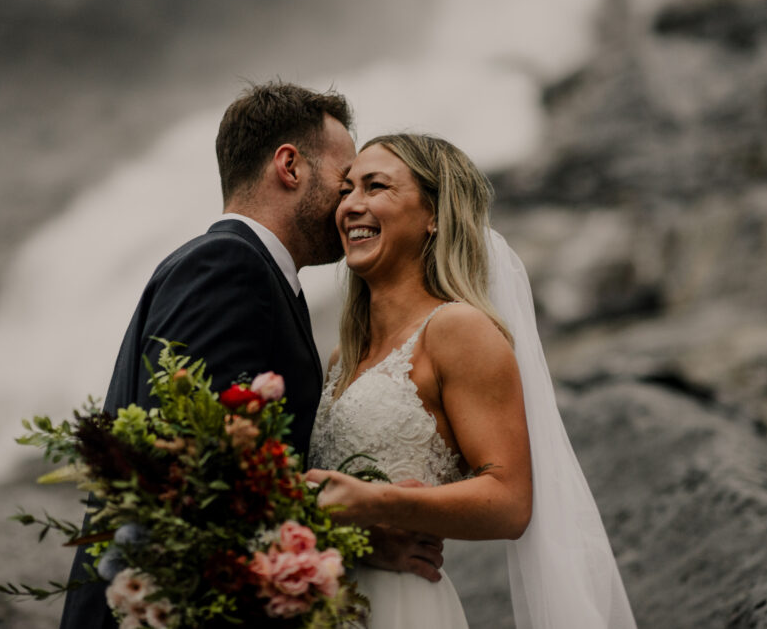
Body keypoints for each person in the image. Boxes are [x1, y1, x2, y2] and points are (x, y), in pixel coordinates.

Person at [58, 83, 442, 629]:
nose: (351, 202)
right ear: (290, 166)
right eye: (344, 179)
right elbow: (192, 471)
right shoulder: (227, 268)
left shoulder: (250, 275)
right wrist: (355, 541)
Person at [305, 134, 637, 628]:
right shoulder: (341, 357)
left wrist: (379, 502)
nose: (352, 205)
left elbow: (509, 503)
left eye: (376, 187)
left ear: (434, 215)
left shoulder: (459, 330)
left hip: (402, 609)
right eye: (347, 190)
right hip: (327, 599)